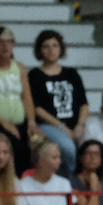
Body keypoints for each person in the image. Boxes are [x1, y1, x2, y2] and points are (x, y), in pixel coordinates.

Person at [0, 26, 40, 177]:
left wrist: (31, 122)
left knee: (40, 145)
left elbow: (26, 98)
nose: (5, 46)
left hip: (19, 124)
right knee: (14, 144)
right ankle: (11, 183)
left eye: (9, 42)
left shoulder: (20, 68)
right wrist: (3, 122)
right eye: (0, 42)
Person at [29, 28, 89, 177]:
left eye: (55, 46)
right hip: (48, 125)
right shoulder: (34, 75)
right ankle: (72, 179)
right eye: (46, 46)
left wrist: (80, 125)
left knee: (91, 147)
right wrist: (61, 127)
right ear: (40, 50)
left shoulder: (71, 73)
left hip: (75, 124)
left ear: (60, 48)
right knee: (67, 147)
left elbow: (83, 104)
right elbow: (37, 108)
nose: (51, 50)